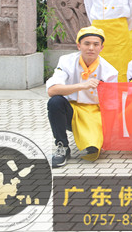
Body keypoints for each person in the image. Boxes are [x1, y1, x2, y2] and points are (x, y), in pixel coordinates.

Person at [46, 26, 118, 168]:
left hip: (95, 114)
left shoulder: (109, 71)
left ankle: (95, 138)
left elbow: (112, 104)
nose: (91, 48)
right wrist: (82, 86)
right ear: (79, 45)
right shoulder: (66, 61)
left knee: (93, 148)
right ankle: (62, 146)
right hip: (72, 111)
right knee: (55, 102)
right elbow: (52, 90)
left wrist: (109, 133)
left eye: (96, 44)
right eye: (87, 43)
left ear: (102, 48)